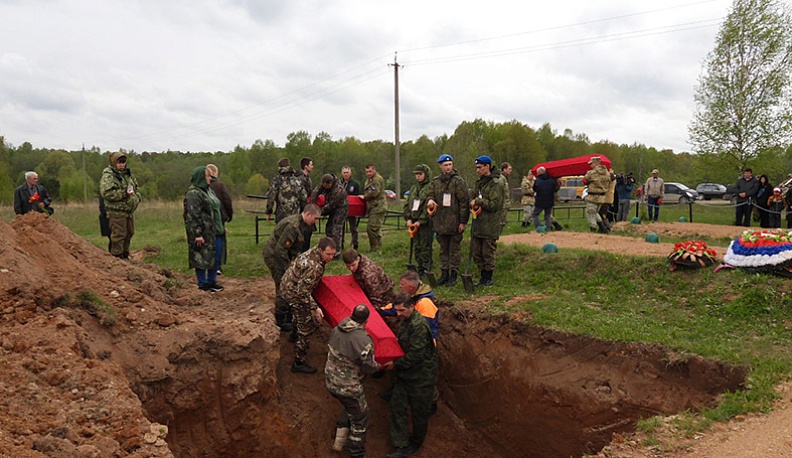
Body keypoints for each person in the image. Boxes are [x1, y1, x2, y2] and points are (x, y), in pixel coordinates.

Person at [382, 292, 438, 458]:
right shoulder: (406, 321)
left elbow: (416, 355)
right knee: (397, 407)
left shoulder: (418, 326)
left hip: (421, 377)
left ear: (412, 307)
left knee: (419, 413)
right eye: (396, 310)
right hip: (406, 375)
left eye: (402, 310)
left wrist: (395, 364)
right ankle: (401, 445)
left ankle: (416, 443)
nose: (398, 314)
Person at [325, 304, 381, 457]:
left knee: (351, 406)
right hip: (348, 387)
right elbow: (368, 367)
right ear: (366, 320)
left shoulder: (337, 329)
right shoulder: (363, 340)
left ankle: (339, 441)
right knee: (360, 418)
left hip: (330, 381)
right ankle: (356, 453)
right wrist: (380, 366)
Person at [280, 237, 337, 374]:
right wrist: (315, 307)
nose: (330, 257)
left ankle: (294, 334)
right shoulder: (314, 266)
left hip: (288, 285)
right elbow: (302, 292)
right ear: (320, 250)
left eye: (333, 254)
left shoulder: (313, 254)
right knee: (306, 326)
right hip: (294, 292)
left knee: (300, 315)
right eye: (328, 254)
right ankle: (299, 362)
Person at [263, 204, 321, 332]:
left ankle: (289, 312)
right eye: (315, 218)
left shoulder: (303, 225)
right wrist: (288, 270)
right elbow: (280, 250)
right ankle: (281, 319)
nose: (316, 221)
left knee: (290, 282)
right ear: (308, 214)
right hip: (275, 256)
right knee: (283, 284)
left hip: (284, 255)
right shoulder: (293, 227)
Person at [426, 154, 470, 287]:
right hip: (440, 223)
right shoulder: (435, 182)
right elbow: (429, 194)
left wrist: (463, 222)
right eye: (445, 165)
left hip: (455, 222)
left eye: (450, 164)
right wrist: (430, 201)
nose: (448, 167)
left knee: (454, 250)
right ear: (440, 166)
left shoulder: (458, 182)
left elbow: (464, 203)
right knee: (443, 249)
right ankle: (444, 273)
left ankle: (453, 274)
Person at [183, 166, 224, 292]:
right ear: (201, 177)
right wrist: (197, 234)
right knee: (201, 257)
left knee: (215, 256)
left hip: (214, 230)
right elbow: (192, 216)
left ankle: (212, 281)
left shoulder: (208, 191)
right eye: (207, 176)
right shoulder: (193, 194)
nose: (210, 178)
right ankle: (203, 283)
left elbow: (215, 209)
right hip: (202, 232)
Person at [470, 155, 505, 287]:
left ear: (487, 167)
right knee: (477, 252)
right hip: (478, 222)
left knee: (487, 252)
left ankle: (488, 278)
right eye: (476, 168)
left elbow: (494, 205)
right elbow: (473, 196)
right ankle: (482, 277)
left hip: (490, 224)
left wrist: (478, 201)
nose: (477, 170)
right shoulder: (479, 182)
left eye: (480, 167)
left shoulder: (495, 184)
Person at [100, 152, 141, 259]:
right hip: (116, 212)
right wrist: (124, 193)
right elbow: (107, 193)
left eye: (123, 162)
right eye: (119, 162)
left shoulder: (128, 175)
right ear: (114, 162)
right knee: (118, 236)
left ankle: (125, 255)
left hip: (128, 211)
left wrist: (136, 199)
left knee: (129, 233)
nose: (121, 164)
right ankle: (117, 257)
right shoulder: (109, 176)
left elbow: (136, 188)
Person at [404, 164, 433, 278]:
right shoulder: (414, 188)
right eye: (416, 174)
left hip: (425, 223)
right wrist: (408, 218)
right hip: (413, 221)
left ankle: (426, 267)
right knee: (417, 246)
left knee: (425, 245)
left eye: (420, 174)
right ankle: (419, 267)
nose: (418, 177)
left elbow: (428, 207)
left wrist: (421, 220)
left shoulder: (430, 187)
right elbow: (407, 205)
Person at [207, 164, 233, 275]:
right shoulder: (220, 185)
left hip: (205, 219)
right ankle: (217, 266)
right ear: (214, 173)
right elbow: (227, 200)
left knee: (207, 242)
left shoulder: (202, 187)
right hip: (219, 218)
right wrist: (229, 215)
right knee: (219, 240)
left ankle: (206, 265)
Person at [312, 173, 349, 251]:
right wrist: (313, 205)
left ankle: (337, 251)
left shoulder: (339, 190)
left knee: (336, 229)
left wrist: (319, 211)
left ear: (330, 183)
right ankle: (331, 247)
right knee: (329, 228)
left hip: (341, 209)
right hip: (332, 208)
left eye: (326, 186)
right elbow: (315, 192)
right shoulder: (325, 182)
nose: (324, 187)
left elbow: (331, 205)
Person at [266, 157, 307, 223]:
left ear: (279, 168)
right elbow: (304, 198)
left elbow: (271, 197)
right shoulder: (297, 181)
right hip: (295, 215)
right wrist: (304, 212)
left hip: (281, 215)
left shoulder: (276, 180)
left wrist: (269, 212)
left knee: (282, 232)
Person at [583, 157, 615, 233]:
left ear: (596, 163)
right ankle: (603, 228)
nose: (590, 165)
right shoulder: (607, 173)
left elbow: (584, 180)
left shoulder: (592, 173)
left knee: (591, 213)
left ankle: (593, 229)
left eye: (592, 163)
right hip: (602, 197)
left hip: (592, 196)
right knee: (595, 212)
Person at [362, 164, 387, 252]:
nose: (368, 173)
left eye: (370, 171)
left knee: (371, 228)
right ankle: (378, 247)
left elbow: (374, 192)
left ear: (374, 170)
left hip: (378, 207)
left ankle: (374, 248)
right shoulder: (369, 180)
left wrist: (364, 197)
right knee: (376, 228)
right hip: (373, 207)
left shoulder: (377, 179)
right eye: (367, 172)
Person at [341, 166, 363, 250]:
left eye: (347, 172)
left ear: (350, 173)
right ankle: (341, 243)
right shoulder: (340, 183)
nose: (346, 174)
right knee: (341, 227)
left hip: (352, 208)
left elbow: (357, 196)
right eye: (344, 173)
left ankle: (355, 243)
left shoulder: (355, 184)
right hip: (342, 208)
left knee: (353, 227)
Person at [531, 166, 559, 230]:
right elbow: (555, 189)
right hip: (550, 200)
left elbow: (534, 189)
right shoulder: (552, 180)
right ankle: (548, 228)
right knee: (547, 215)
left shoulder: (537, 181)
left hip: (540, 201)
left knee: (535, 214)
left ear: (539, 173)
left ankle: (539, 227)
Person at [297, 157, 315, 252]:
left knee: (308, 232)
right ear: (305, 166)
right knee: (305, 232)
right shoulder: (301, 179)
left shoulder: (307, 178)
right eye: (311, 164)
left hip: (307, 207)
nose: (313, 166)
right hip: (303, 209)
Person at [497, 162, 513, 229]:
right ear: (504, 169)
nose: (511, 171)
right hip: (502, 204)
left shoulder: (505, 178)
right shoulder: (501, 178)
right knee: (501, 222)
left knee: (503, 221)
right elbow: (499, 191)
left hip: (504, 203)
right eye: (509, 169)